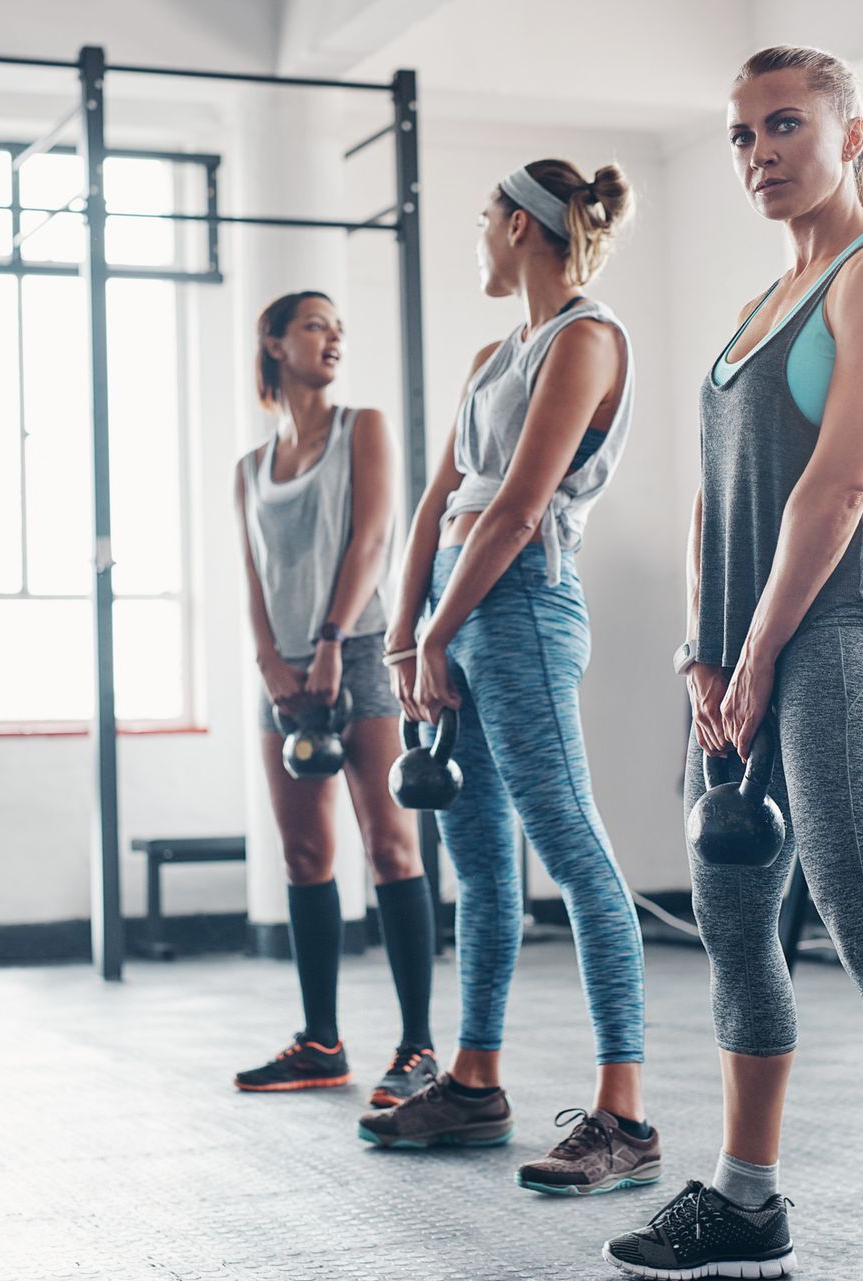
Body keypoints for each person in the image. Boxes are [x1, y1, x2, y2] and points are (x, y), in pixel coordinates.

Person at [603, 46, 863, 1281]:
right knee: (733, 923)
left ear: (851, 135)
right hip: (734, 662)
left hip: (841, 634)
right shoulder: (757, 305)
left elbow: (838, 489)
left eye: (783, 127)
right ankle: (748, 1201)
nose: (758, 153)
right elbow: (717, 506)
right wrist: (698, 653)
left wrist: (762, 650)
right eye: (739, 136)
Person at [357, 160, 656, 1199]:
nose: (479, 238)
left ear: (524, 228)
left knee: (569, 846)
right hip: (453, 599)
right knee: (479, 863)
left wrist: (439, 630)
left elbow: (520, 506)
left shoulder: (587, 338)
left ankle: (625, 1114)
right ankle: (476, 1082)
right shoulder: (497, 354)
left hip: (521, 601)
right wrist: (405, 636)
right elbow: (440, 496)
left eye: (486, 221)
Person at [232, 291, 440, 1111]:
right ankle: (320, 1042)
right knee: (305, 858)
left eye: (338, 328)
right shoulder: (248, 468)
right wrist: (269, 664)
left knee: (390, 846)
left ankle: (418, 1048)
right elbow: (251, 575)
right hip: (282, 670)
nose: (333, 338)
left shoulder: (365, 428)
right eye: (315, 325)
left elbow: (373, 538)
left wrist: (327, 641)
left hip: (352, 651)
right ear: (276, 344)